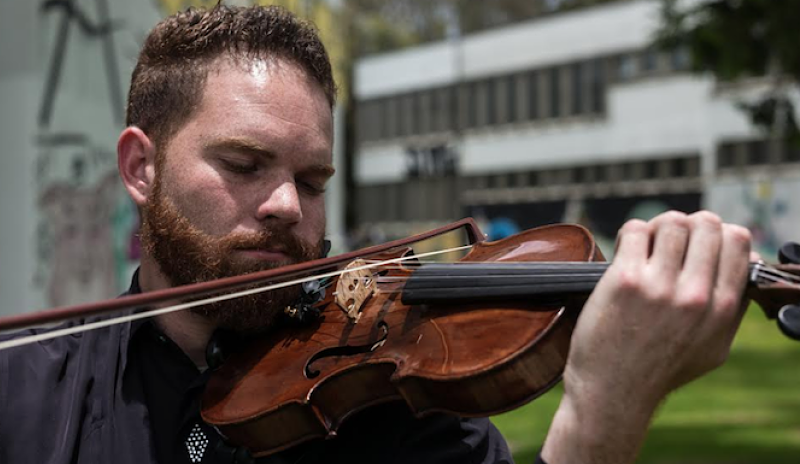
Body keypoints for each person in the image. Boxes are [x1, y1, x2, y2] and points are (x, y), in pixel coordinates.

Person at [0, 4, 754, 464]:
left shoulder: (391, 419)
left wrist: (601, 412)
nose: (289, 207)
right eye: (244, 163)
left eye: (315, 180)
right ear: (141, 167)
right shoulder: (27, 395)